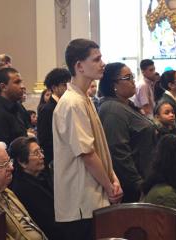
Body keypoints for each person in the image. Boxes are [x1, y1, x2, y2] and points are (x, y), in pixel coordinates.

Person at [52, 39, 123, 240]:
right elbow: (87, 154)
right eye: (97, 59)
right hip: (81, 202)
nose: (103, 63)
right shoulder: (72, 103)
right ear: (79, 66)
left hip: (93, 196)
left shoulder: (83, 98)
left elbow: (98, 148)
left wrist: (113, 178)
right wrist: (110, 187)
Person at [98, 62, 157, 202]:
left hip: (147, 177)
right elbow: (118, 151)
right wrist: (138, 184)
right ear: (114, 84)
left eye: (132, 77)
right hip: (133, 187)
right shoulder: (112, 109)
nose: (133, 81)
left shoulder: (125, 105)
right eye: (128, 78)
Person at [9, 137, 64, 240]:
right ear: (22, 162)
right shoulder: (23, 189)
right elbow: (47, 222)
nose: (42, 156)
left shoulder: (41, 175)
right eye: (36, 153)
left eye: (41, 151)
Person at [37, 68, 71, 166]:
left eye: (69, 84)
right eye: (64, 85)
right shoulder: (47, 109)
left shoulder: (66, 104)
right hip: (55, 159)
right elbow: (44, 139)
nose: (68, 88)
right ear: (54, 88)